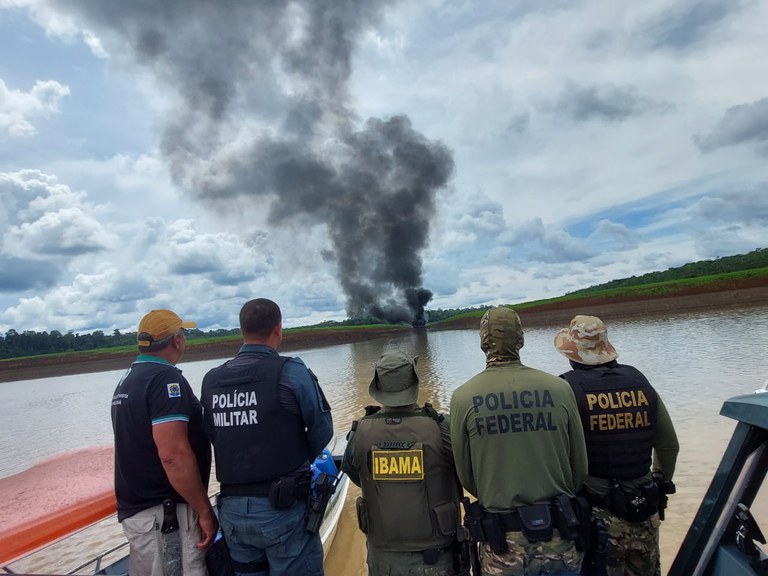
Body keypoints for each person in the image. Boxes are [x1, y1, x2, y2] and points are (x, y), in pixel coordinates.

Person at [450, 306, 589, 576]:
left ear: (482, 344)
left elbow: (466, 475)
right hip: (560, 536)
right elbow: (579, 467)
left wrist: (498, 494)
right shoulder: (560, 388)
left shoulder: (463, 397)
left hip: (502, 547)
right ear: (521, 340)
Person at [200, 298, 333, 576]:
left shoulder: (211, 380)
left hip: (233, 514)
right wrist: (297, 462)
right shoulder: (290, 371)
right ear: (278, 328)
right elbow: (322, 429)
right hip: (283, 511)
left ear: (242, 330)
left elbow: (212, 434)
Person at [554, 315, 679, 576]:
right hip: (644, 507)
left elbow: (559, 454)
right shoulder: (640, 382)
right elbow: (668, 446)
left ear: (572, 355)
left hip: (597, 515)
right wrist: (659, 482)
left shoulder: (566, 388)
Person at [111, 309, 217, 576]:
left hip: (143, 513)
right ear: (176, 340)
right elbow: (172, 454)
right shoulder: (166, 379)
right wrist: (204, 510)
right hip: (166, 517)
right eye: (183, 334)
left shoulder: (129, 380)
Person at [341, 351, 467, 576]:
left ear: (378, 386)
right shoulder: (441, 427)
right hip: (437, 558)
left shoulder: (360, 432)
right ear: (414, 382)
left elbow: (354, 473)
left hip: (383, 560)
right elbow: (466, 473)